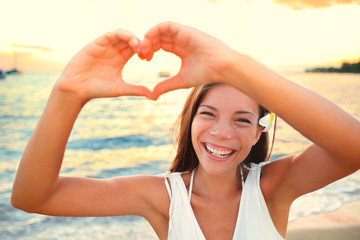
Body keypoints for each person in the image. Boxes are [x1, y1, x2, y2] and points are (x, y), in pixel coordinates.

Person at [11, 22, 360, 240]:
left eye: (241, 119)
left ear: (258, 132)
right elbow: (33, 197)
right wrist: (67, 95)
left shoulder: (273, 187)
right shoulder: (162, 197)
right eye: (208, 114)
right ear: (190, 121)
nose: (221, 133)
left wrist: (233, 64)